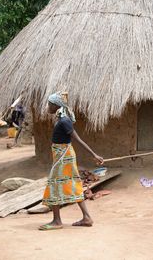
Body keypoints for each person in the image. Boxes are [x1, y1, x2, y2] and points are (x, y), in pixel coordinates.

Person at [39, 93, 104, 231]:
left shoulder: (64, 121)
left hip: (64, 156)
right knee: (72, 184)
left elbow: (78, 139)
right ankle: (86, 217)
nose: (48, 107)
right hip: (62, 155)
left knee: (54, 184)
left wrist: (94, 155)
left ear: (57, 105)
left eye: (50, 104)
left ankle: (57, 221)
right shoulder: (60, 119)